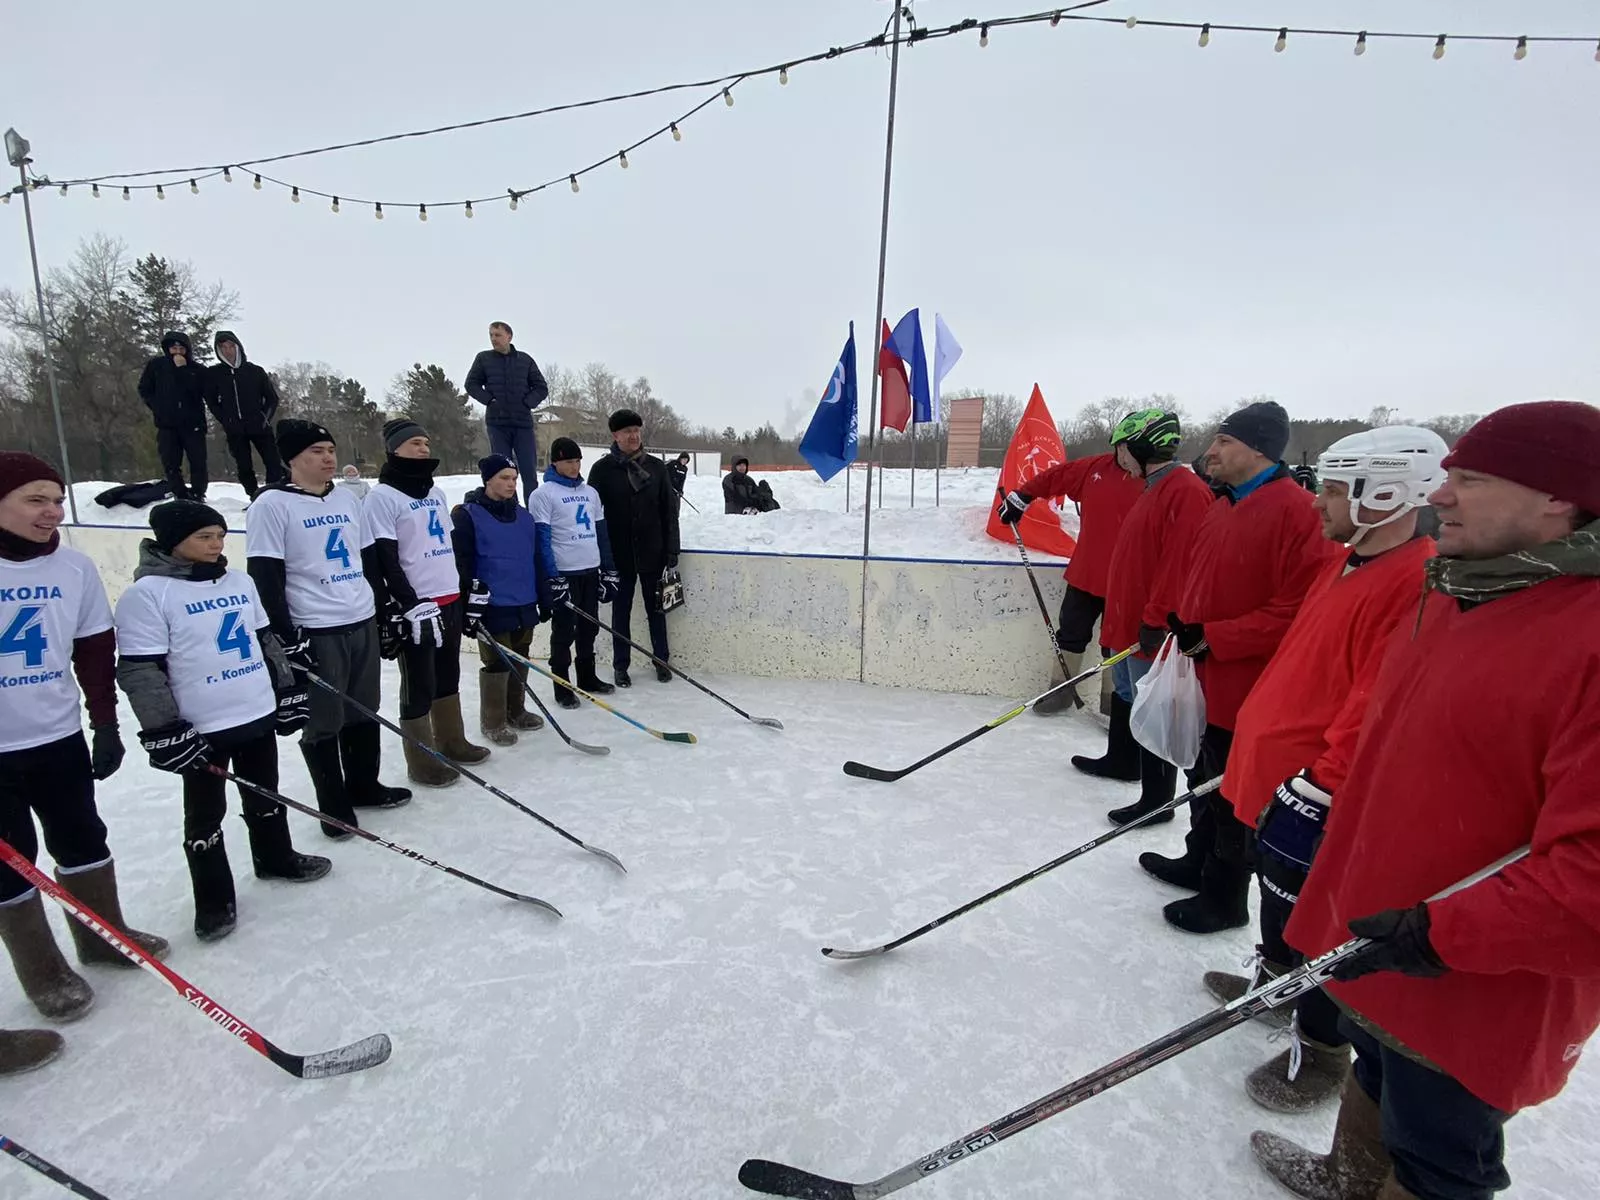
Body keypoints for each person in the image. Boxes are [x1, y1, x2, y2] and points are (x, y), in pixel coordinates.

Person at [1255, 401, 1600, 1200]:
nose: (1439, 497)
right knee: (1375, 1061)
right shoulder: (1456, 591)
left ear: (1558, 497)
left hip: (1474, 969)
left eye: (1469, 479)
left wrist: (1443, 933)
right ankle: (1350, 1176)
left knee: (1440, 1152)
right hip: (1383, 921)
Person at [1198, 427, 1445, 1116]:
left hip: (1309, 792)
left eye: (1335, 491)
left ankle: (1322, 1048)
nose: (1318, 504)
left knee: (1318, 926)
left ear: (1387, 495)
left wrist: (1321, 785)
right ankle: (1274, 981)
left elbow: (1373, 704)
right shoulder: (1344, 562)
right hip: (1268, 774)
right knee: (1276, 903)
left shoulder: (1414, 583)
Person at [0, 453, 167, 1076]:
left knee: (82, 839)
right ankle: (44, 972)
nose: (49, 511)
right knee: (13, 859)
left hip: (56, 735)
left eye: (55, 498)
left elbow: (94, 649)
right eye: (33, 499)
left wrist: (104, 723)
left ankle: (103, 937)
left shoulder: (73, 567)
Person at [1140, 399, 1330, 934]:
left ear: (1258, 449)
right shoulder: (1223, 504)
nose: (1211, 451)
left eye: (1224, 442)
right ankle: (1195, 863)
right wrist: (1182, 618)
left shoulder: (1298, 512)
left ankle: (1225, 898)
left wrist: (1217, 636)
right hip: (1203, 676)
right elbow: (1199, 573)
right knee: (1201, 778)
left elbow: (1300, 608)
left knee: (1231, 796)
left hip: (1249, 686)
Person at [113, 501, 331, 943]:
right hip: (202, 725)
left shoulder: (239, 581)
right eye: (203, 537)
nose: (215, 545)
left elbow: (265, 641)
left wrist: (287, 690)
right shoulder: (149, 594)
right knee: (204, 813)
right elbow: (140, 669)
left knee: (264, 790)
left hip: (253, 708)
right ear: (174, 541)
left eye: (219, 535)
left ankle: (275, 856)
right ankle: (213, 898)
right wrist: (163, 729)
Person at [246, 419, 410, 838]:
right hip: (315, 626)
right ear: (292, 460)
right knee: (324, 718)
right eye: (316, 452)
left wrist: (383, 609)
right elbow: (266, 575)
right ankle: (333, 806)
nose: (328, 458)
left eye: (330, 450)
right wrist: (284, 636)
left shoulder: (348, 500)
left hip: (358, 617)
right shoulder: (271, 505)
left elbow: (367, 560)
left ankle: (364, 785)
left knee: (363, 706)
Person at [1094, 409, 1215, 827]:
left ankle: (1156, 799)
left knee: (1151, 702)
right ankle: (1122, 761)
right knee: (1128, 693)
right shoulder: (1153, 486)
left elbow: (1178, 564)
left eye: (1122, 449)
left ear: (1141, 449)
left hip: (1151, 624)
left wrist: (1156, 618)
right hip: (1127, 617)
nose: (1118, 458)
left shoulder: (1184, 491)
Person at [364, 419, 488, 786]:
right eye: (415, 443)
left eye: (426, 442)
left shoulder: (435, 493)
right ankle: (421, 759)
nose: (423, 449)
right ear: (395, 449)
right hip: (418, 606)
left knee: (448, 674)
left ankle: (451, 740)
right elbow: (385, 558)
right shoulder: (382, 498)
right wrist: (405, 603)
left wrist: (465, 588)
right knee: (418, 681)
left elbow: (449, 548)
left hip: (449, 596)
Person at [995, 421, 1145, 723]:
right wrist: (1021, 497)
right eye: (1123, 447)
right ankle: (1060, 690)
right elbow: (1055, 476)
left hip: (1131, 582)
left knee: (1116, 643)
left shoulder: (1156, 480)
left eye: (1133, 448)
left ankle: (1114, 703)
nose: (1127, 454)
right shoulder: (1095, 469)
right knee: (1071, 633)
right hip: (1087, 572)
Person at [450, 455, 545, 745]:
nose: (511, 484)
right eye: (504, 478)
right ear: (488, 479)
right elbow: (461, 561)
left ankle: (516, 710)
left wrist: (544, 594)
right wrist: (468, 600)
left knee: (521, 655)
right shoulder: (466, 514)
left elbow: (536, 558)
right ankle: (493, 720)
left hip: (524, 598)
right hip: (491, 602)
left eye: (514, 479)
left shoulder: (525, 517)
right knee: (497, 662)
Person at [587, 409, 680, 686]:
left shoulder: (655, 467)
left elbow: (668, 511)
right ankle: (620, 665)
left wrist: (672, 549)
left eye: (637, 430)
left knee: (657, 611)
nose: (634, 436)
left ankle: (661, 661)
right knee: (621, 612)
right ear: (615, 436)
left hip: (653, 551)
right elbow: (594, 514)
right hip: (619, 554)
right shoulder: (602, 470)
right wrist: (601, 555)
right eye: (627, 431)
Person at [531, 437, 618, 708]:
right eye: (569, 461)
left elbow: (601, 533)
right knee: (564, 631)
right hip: (565, 572)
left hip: (590, 570)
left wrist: (609, 570)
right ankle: (562, 684)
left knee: (589, 627)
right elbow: (542, 539)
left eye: (578, 460)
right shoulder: (544, 494)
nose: (574, 466)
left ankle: (587, 676)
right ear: (555, 462)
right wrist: (553, 577)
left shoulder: (590, 492)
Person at [464, 321, 548, 504]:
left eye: (498, 335)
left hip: (523, 424)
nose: (494, 339)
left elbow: (541, 388)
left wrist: (527, 403)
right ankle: (507, 509)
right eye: (491, 335)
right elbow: (471, 384)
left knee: (528, 472)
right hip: (497, 424)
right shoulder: (483, 359)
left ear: (509, 336)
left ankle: (533, 513)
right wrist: (489, 400)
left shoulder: (525, 360)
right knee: (501, 471)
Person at [203, 331, 284, 498]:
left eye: (231, 346)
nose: (228, 350)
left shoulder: (255, 371)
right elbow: (211, 402)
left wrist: (264, 418)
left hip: (259, 426)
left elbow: (272, 398)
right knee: (244, 465)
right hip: (235, 429)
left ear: (238, 347)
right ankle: (254, 496)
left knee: (273, 461)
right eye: (223, 347)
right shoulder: (214, 374)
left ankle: (272, 495)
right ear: (218, 350)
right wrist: (226, 420)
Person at [137, 331, 208, 501]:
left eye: (181, 348)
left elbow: (201, 392)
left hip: (193, 424)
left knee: (198, 461)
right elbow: (144, 389)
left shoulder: (197, 369)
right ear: (167, 349)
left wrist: (182, 370)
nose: (177, 351)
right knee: (171, 462)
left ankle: (198, 492)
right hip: (167, 424)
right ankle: (179, 492)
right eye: (173, 348)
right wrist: (157, 407)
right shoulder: (156, 366)